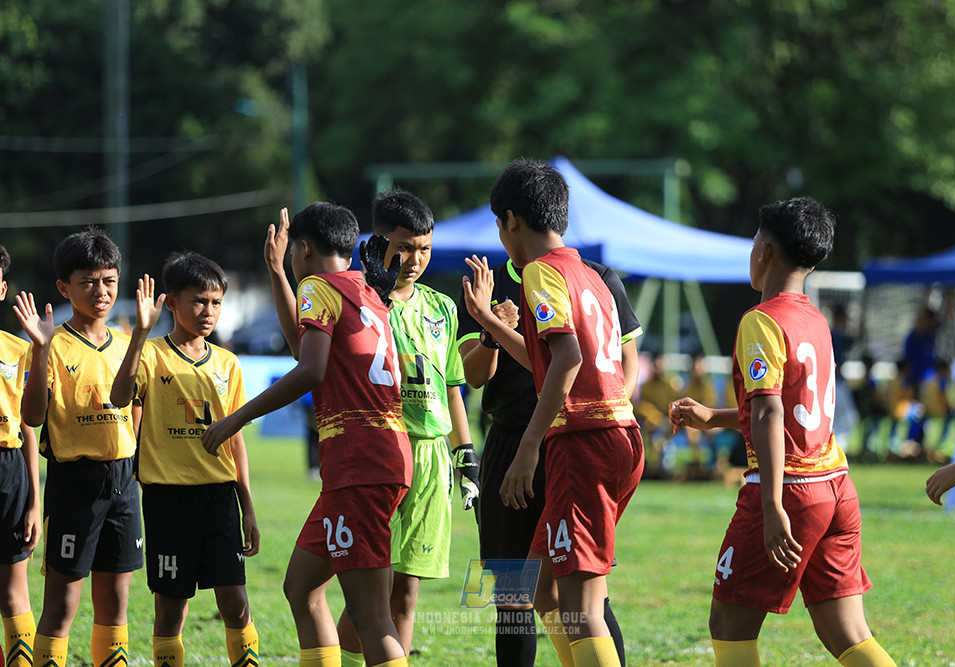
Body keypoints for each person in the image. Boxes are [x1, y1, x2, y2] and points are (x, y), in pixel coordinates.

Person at [669, 197, 896, 667]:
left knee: (728, 626)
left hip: (790, 490)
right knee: (847, 631)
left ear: (765, 250)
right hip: (836, 488)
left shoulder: (762, 319)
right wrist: (716, 417)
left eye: (754, 239)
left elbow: (772, 415)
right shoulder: (814, 319)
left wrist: (772, 504)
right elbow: (796, 410)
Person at [203, 203, 412, 667]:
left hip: (359, 460)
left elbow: (310, 369)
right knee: (301, 586)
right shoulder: (365, 288)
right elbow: (306, 347)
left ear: (303, 248)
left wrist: (237, 418)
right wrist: (277, 273)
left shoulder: (318, 286)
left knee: (370, 613)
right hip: (380, 456)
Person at [480, 158, 644, 667]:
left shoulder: (540, 274)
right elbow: (552, 361)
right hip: (617, 435)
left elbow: (568, 360)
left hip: (583, 441)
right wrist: (490, 321)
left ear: (510, 220)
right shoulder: (590, 275)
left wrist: (528, 448)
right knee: (542, 593)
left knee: (584, 606)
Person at [335, 189, 478, 666]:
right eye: (405, 247)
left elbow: (454, 385)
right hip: (379, 448)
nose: (415, 259)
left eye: (424, 248)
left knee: (405, 595)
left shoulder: (442, 307)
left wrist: (466, 452)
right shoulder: (359, 299)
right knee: (365, 594)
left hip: (431, 457)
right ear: (379, 243)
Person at [107, 253, 260, 667]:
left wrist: (247, 506)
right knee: (171, 608)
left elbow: (236, 441)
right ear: (171, 303)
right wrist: (140, 334)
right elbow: (120, 398)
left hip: (220, 498)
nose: (208, 312)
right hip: (168, 501)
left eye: (216, 302)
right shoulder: (153, 354)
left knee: (235, 601)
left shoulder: (228, 363)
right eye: (198, 301)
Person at [14, 227, 144, 667]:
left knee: (115, 602)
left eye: (109, 280)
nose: (101, 291)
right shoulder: (51, 344)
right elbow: (31, 418)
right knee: (63, 606)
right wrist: (40, 350)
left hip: (124, 482)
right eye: (87, 281)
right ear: (64, 287)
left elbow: (136, 410)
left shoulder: (127, 345)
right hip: (75, 483)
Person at [0, 245, 41, 667]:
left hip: (9, 473)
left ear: (2, 288)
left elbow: (28, 426)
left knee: (14, 593)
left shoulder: (17, 349)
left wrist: (34, 500)